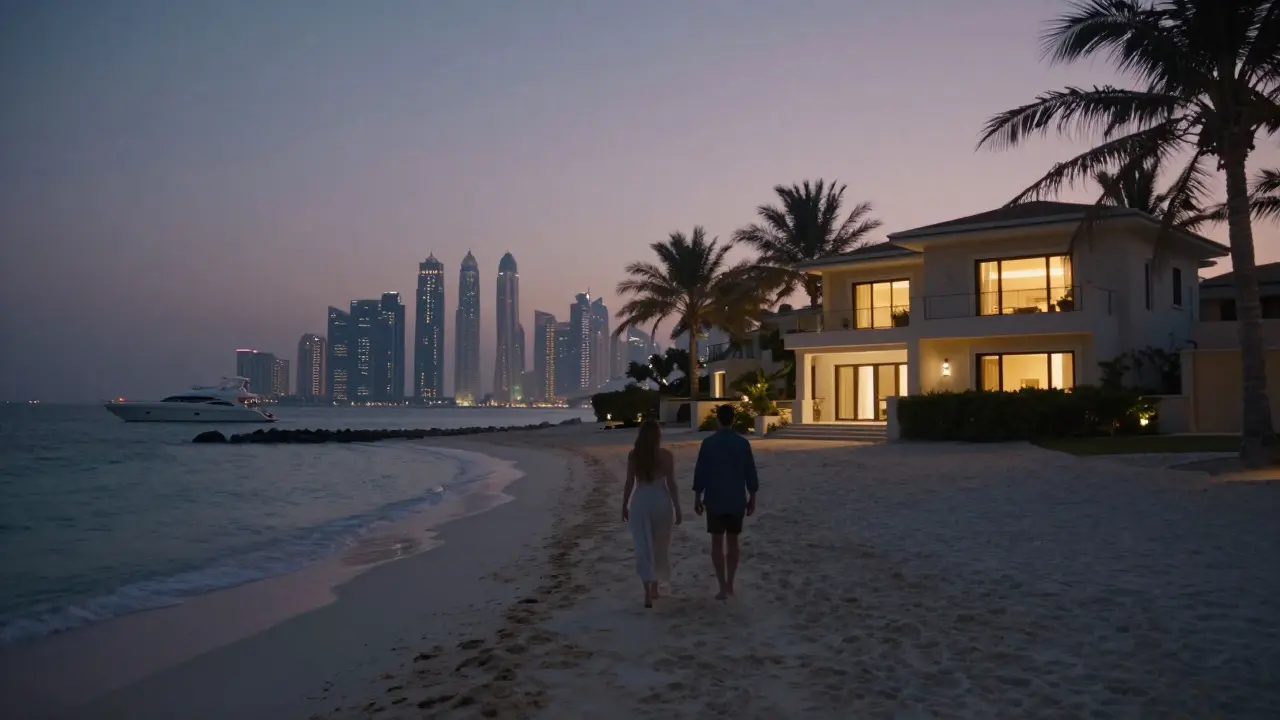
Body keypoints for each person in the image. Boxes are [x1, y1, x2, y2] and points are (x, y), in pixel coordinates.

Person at [692, 404, 759, 600]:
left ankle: (722, 586)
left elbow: (700, 472)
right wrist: (752, 496)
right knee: (733, 542)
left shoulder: (709, 443)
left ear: (717, 419)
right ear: (733, 420)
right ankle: (730, 583)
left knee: (716, 542)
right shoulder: (742, 444)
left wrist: (697, 495)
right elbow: (750, 472)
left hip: (715, 499)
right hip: (736, 499)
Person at [621, 419, 682, 608]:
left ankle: (647, 589)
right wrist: (677, 507)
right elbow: (671, 483)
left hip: (640, 501)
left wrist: (624, 504)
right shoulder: (666, 455)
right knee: (659, 544)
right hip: (660, 501)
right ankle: (655, 586)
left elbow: (629, 482)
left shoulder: (634, 455)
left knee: (643, 544)